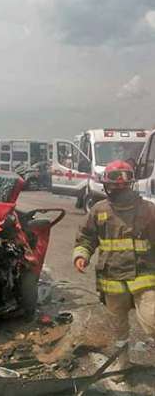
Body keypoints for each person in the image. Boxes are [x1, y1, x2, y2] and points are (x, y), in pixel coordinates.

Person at [73, 160, 155, 375]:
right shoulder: (99, 211)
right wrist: (82, 255)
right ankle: (123, 364)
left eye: (124, 185)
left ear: (131, 185)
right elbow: (86, 238)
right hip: (112, 279)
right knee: (118, 328)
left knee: (153, 320)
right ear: (106, 186)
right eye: (114, 185)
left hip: (145, 277)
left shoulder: (148, 210)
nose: (119, 189)